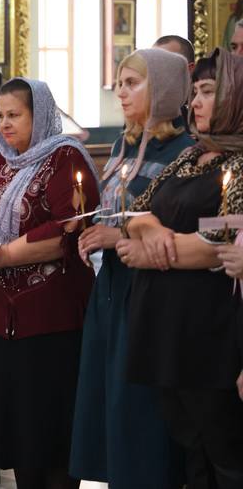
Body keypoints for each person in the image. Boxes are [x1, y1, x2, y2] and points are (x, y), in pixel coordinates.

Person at [0, 77, 99, 489]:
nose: (3, 124)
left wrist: (1, 255)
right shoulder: (3, 161)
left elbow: (68, 231)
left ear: (40, 116)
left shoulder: (64, 159)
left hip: (48, 320)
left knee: (49, 434)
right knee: (17, 434)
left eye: (14, 115)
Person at [118, 47, 243, 488]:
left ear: (235, 95)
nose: (196, 103)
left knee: (224, 450)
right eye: (196, 93)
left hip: (209, 328)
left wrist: (152, 249)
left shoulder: (239, 160)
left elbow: (224, 243)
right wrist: (149, 232)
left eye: (209, 92)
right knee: (190, 446)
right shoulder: (191, 156)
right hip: (166, 324)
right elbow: (138, 210)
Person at [70, 48, 194, 488]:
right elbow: (116, 209)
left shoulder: (186, 151)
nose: (120, 92)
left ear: (163, 89)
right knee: (110, 407)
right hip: (112, 289)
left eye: (132, 83)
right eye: (119, 82)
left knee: (138, 413)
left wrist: (117, 236)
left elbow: (174, 227)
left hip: (148, 296)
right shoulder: (125, 145)